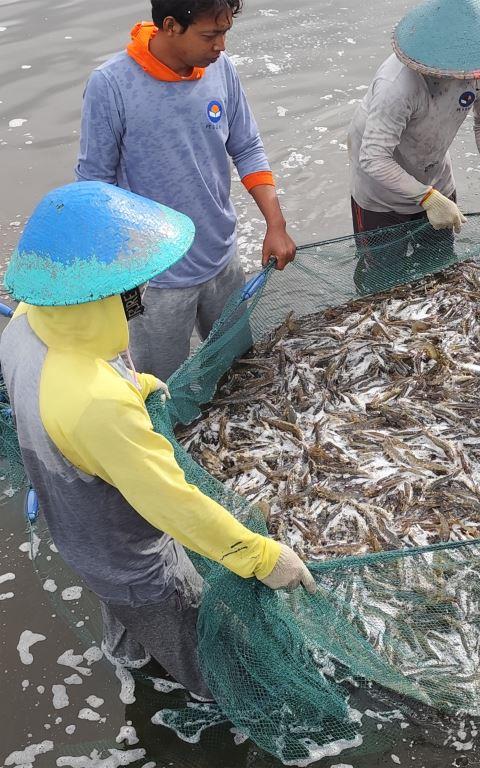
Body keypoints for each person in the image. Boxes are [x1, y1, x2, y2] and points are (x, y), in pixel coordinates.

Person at [0, 182, 315, 702]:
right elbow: (172, 501)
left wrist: (136, 383)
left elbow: (79, 375)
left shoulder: (25, 325)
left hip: (75, 527)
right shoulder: (95, 404)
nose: (143, 289)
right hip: (134, 557)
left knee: (123, 611)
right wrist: (261, 556)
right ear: (100, 289)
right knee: (189, 639)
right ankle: (211, 699)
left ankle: (130, 666)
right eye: (132, 282)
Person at [76, 0, 297, 382]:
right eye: (210, 35)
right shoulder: (111, 85)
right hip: (154, 280)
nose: (221, 46)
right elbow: (94, 186)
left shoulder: (220, 69)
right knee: (160, 385)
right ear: (170, 26)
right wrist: (111, 276)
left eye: (225, 32)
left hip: (221, 258)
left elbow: (247, 148)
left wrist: (275, 225)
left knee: (237, 369)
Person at [347, 0, 480, 295]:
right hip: (380, 192)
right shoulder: (398, 85)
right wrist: (427, 198)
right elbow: (374, 158)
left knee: (440, 270)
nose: (471, 78)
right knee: (382, 280)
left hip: (434, 171)